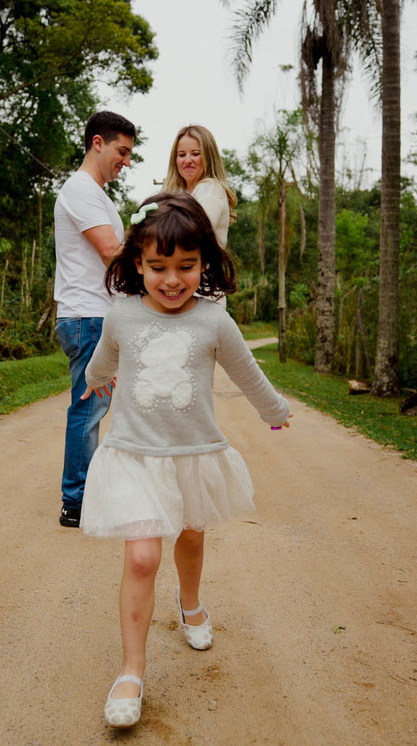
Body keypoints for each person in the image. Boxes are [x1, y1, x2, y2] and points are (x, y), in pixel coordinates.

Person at [78, 192, 292, 728]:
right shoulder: (121, 315)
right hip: (134, 454)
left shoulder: (213, 321)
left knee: (192, 536)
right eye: (158, 267)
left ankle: (191, 603)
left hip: (192, 454)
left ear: (205, 262)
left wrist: (275, 410)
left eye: (186, 267)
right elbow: (103, 362)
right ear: (136, 264)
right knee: (143, 556)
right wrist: (93, 384)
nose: (172, 280)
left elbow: (247, 373)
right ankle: (131, 671)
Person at [53, 110, 136, 528]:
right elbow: (109, 251)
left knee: (96, 406)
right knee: (87, 409)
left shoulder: (97, 195)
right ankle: (76, 502)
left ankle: (86, 494)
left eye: (130, 154)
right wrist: (155, 254)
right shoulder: (81, 189)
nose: (126, 161)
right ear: (97, 143)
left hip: (97, 316)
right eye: (122, 151)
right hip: (87, 317)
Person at [162, 124, 239, 251]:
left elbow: (193, 235)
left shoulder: (210, 189)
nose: (187, 161)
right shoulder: (176, 192)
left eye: (195, 154)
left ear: (209, 157)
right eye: (181, 155)